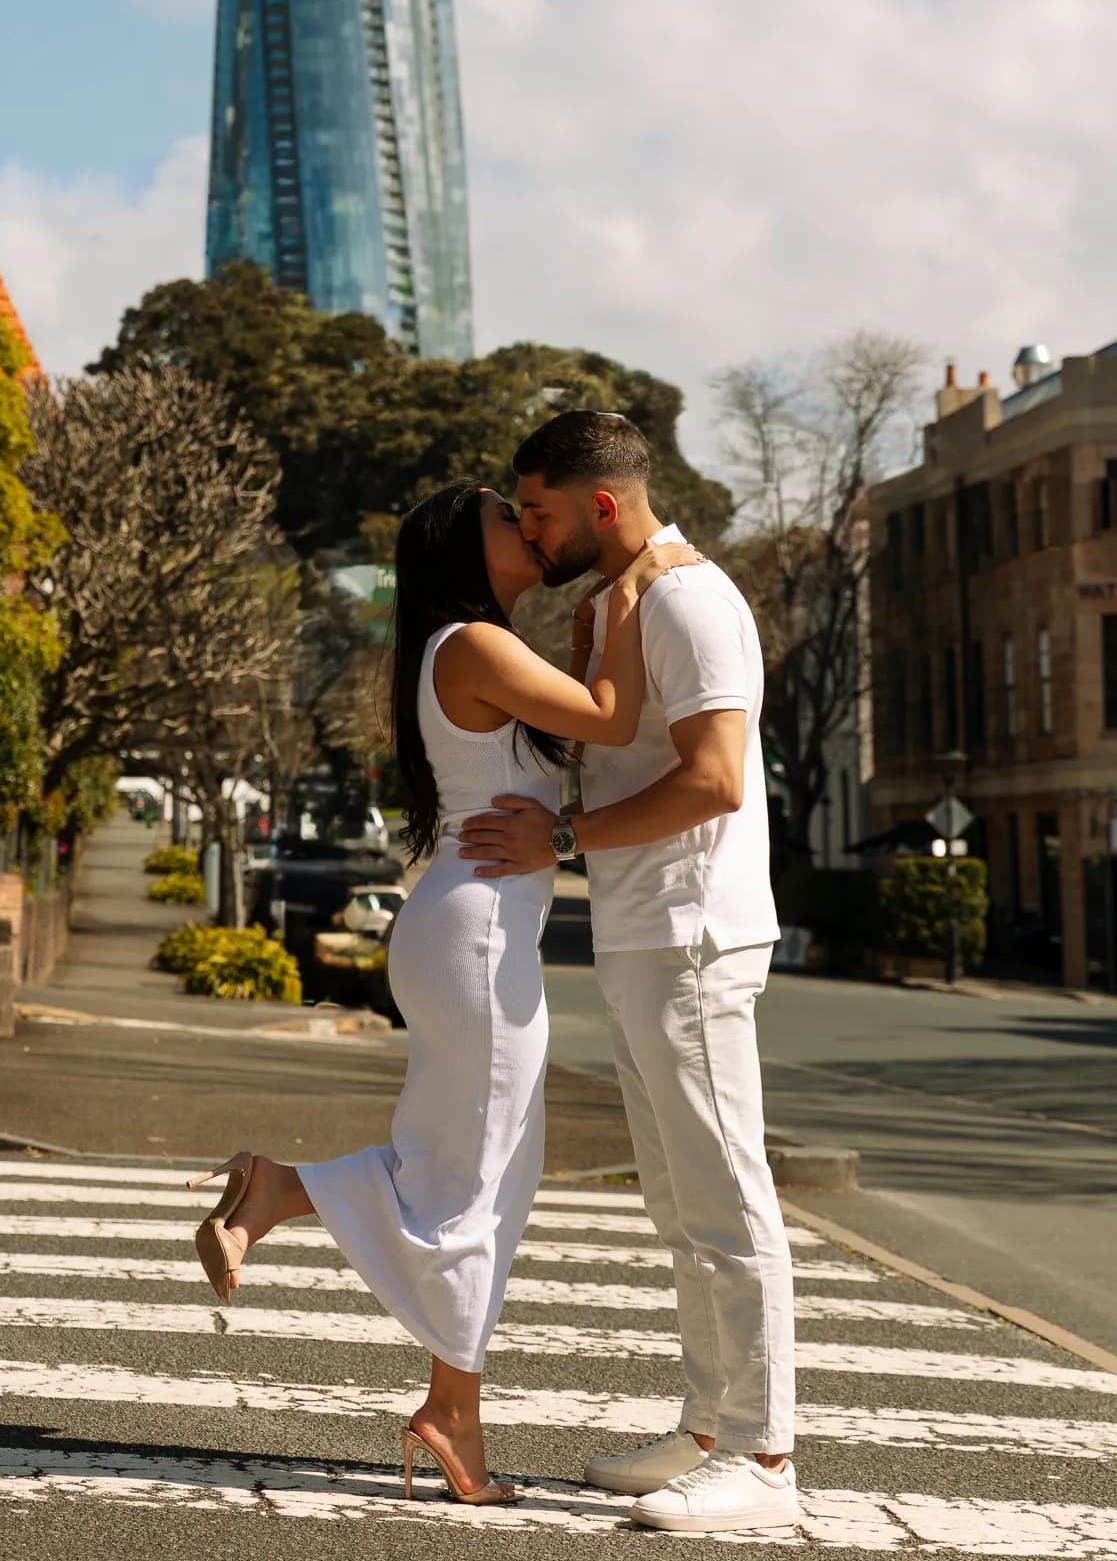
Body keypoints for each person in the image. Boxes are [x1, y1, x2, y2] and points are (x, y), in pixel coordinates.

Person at [187, 482, 698, 1508]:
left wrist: (604, 609)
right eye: (507, 518)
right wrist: (638, 581)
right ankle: (294, 1205)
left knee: (486, 1175)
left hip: (467, 927)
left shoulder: (471, 645)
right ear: (463, 553)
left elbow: (586, 721)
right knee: (476, 1180)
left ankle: (432, 1384)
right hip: (473, 934)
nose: (527, 524)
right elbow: (610, 716)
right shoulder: (468, 641)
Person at [459, 411, 798, 1538]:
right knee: (676, 1196)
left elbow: (711, 780)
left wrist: (556, 843)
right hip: (641, 929)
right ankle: (706, 1426)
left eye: (540, 510)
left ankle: (765, 1451)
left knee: (725, 1193)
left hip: (696, 929)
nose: (529, 529)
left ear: (600, 505)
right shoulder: (614, 602)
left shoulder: (690, 601)